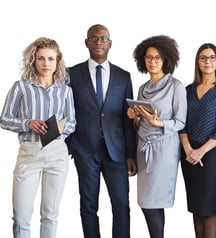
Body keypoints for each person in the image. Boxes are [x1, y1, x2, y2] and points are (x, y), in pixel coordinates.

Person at [65, 24, 137, 238]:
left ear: (110, 44)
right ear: (86, 42)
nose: (99, 42)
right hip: (85, 151)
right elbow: (64, 110)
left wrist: (131, 154)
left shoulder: (123, 76)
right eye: (94, 38)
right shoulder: (71, 74)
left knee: (122, 204)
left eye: (103, 38)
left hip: (116, 152)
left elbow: (128, 117)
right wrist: (71, 146)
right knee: (88, 205)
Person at [0, 37, 76, 238]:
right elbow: (4, 119)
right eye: (41, 59)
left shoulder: (65, 91)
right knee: (21, 217)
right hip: (29, 152)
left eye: (51, 59)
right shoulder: (21, 87)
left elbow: (72, 123)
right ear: (33, 61)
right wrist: (27, 123)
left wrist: (60, 128)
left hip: (57, 154)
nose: (46, 64)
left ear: (58, 61)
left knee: (50, 215)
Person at [127, 35, 187, 238]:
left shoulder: (175, 86)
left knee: (153, 202)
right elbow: (140, 124)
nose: (152, 61)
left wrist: (157, 123)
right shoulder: (143, 88)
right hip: (143, 149)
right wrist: (135, 117)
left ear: (166, 60)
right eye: (148, 57)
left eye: (157, 58)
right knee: (146, 202)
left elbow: (180, 122)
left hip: (163, 151)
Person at [179, 43, 216, 238]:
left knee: (208, 204)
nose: (208, 61)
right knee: (196, 205)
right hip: (188, 154)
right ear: (197, 62)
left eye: (212, 57)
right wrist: (188, 149)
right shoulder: (187, 90)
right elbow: (181, 123)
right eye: (203, 57)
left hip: (211, 154)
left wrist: (200, 151)